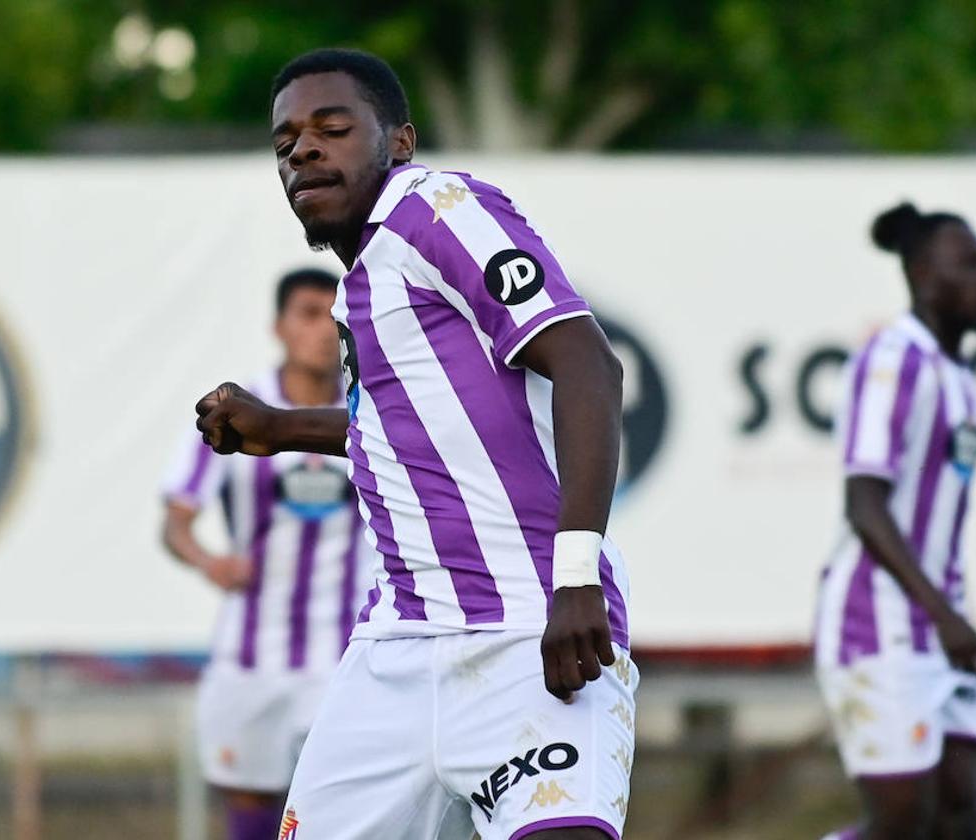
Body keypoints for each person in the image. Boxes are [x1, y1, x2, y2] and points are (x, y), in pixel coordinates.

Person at [195, 48, 635, 840]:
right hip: (395, 649)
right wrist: (282, 426)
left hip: (530, 633)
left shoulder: (436, 206)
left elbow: (588, 363)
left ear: (399, 140)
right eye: (285, 142)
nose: (303, 150)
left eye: (332, 127)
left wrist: (576, 579)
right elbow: (400, 433)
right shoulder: (358, 288)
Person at [161, 267, 369, 840]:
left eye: (334, 317)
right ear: (278, 326)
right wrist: (209, 561)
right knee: (251, 813)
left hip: (343, 660)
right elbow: (177, 522)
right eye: (307, 314)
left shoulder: (371, 415)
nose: (323, 330)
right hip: (251, 660)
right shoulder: (236, 410)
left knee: (337, 812)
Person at [815, 202, 976, 840]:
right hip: (877, 625)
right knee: (901, 823)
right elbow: (864, 503)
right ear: (920, 274)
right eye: (968, 264)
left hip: (943, 631)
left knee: (961, 810)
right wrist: (945, 617)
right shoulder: (893, 359)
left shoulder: (961, 377)